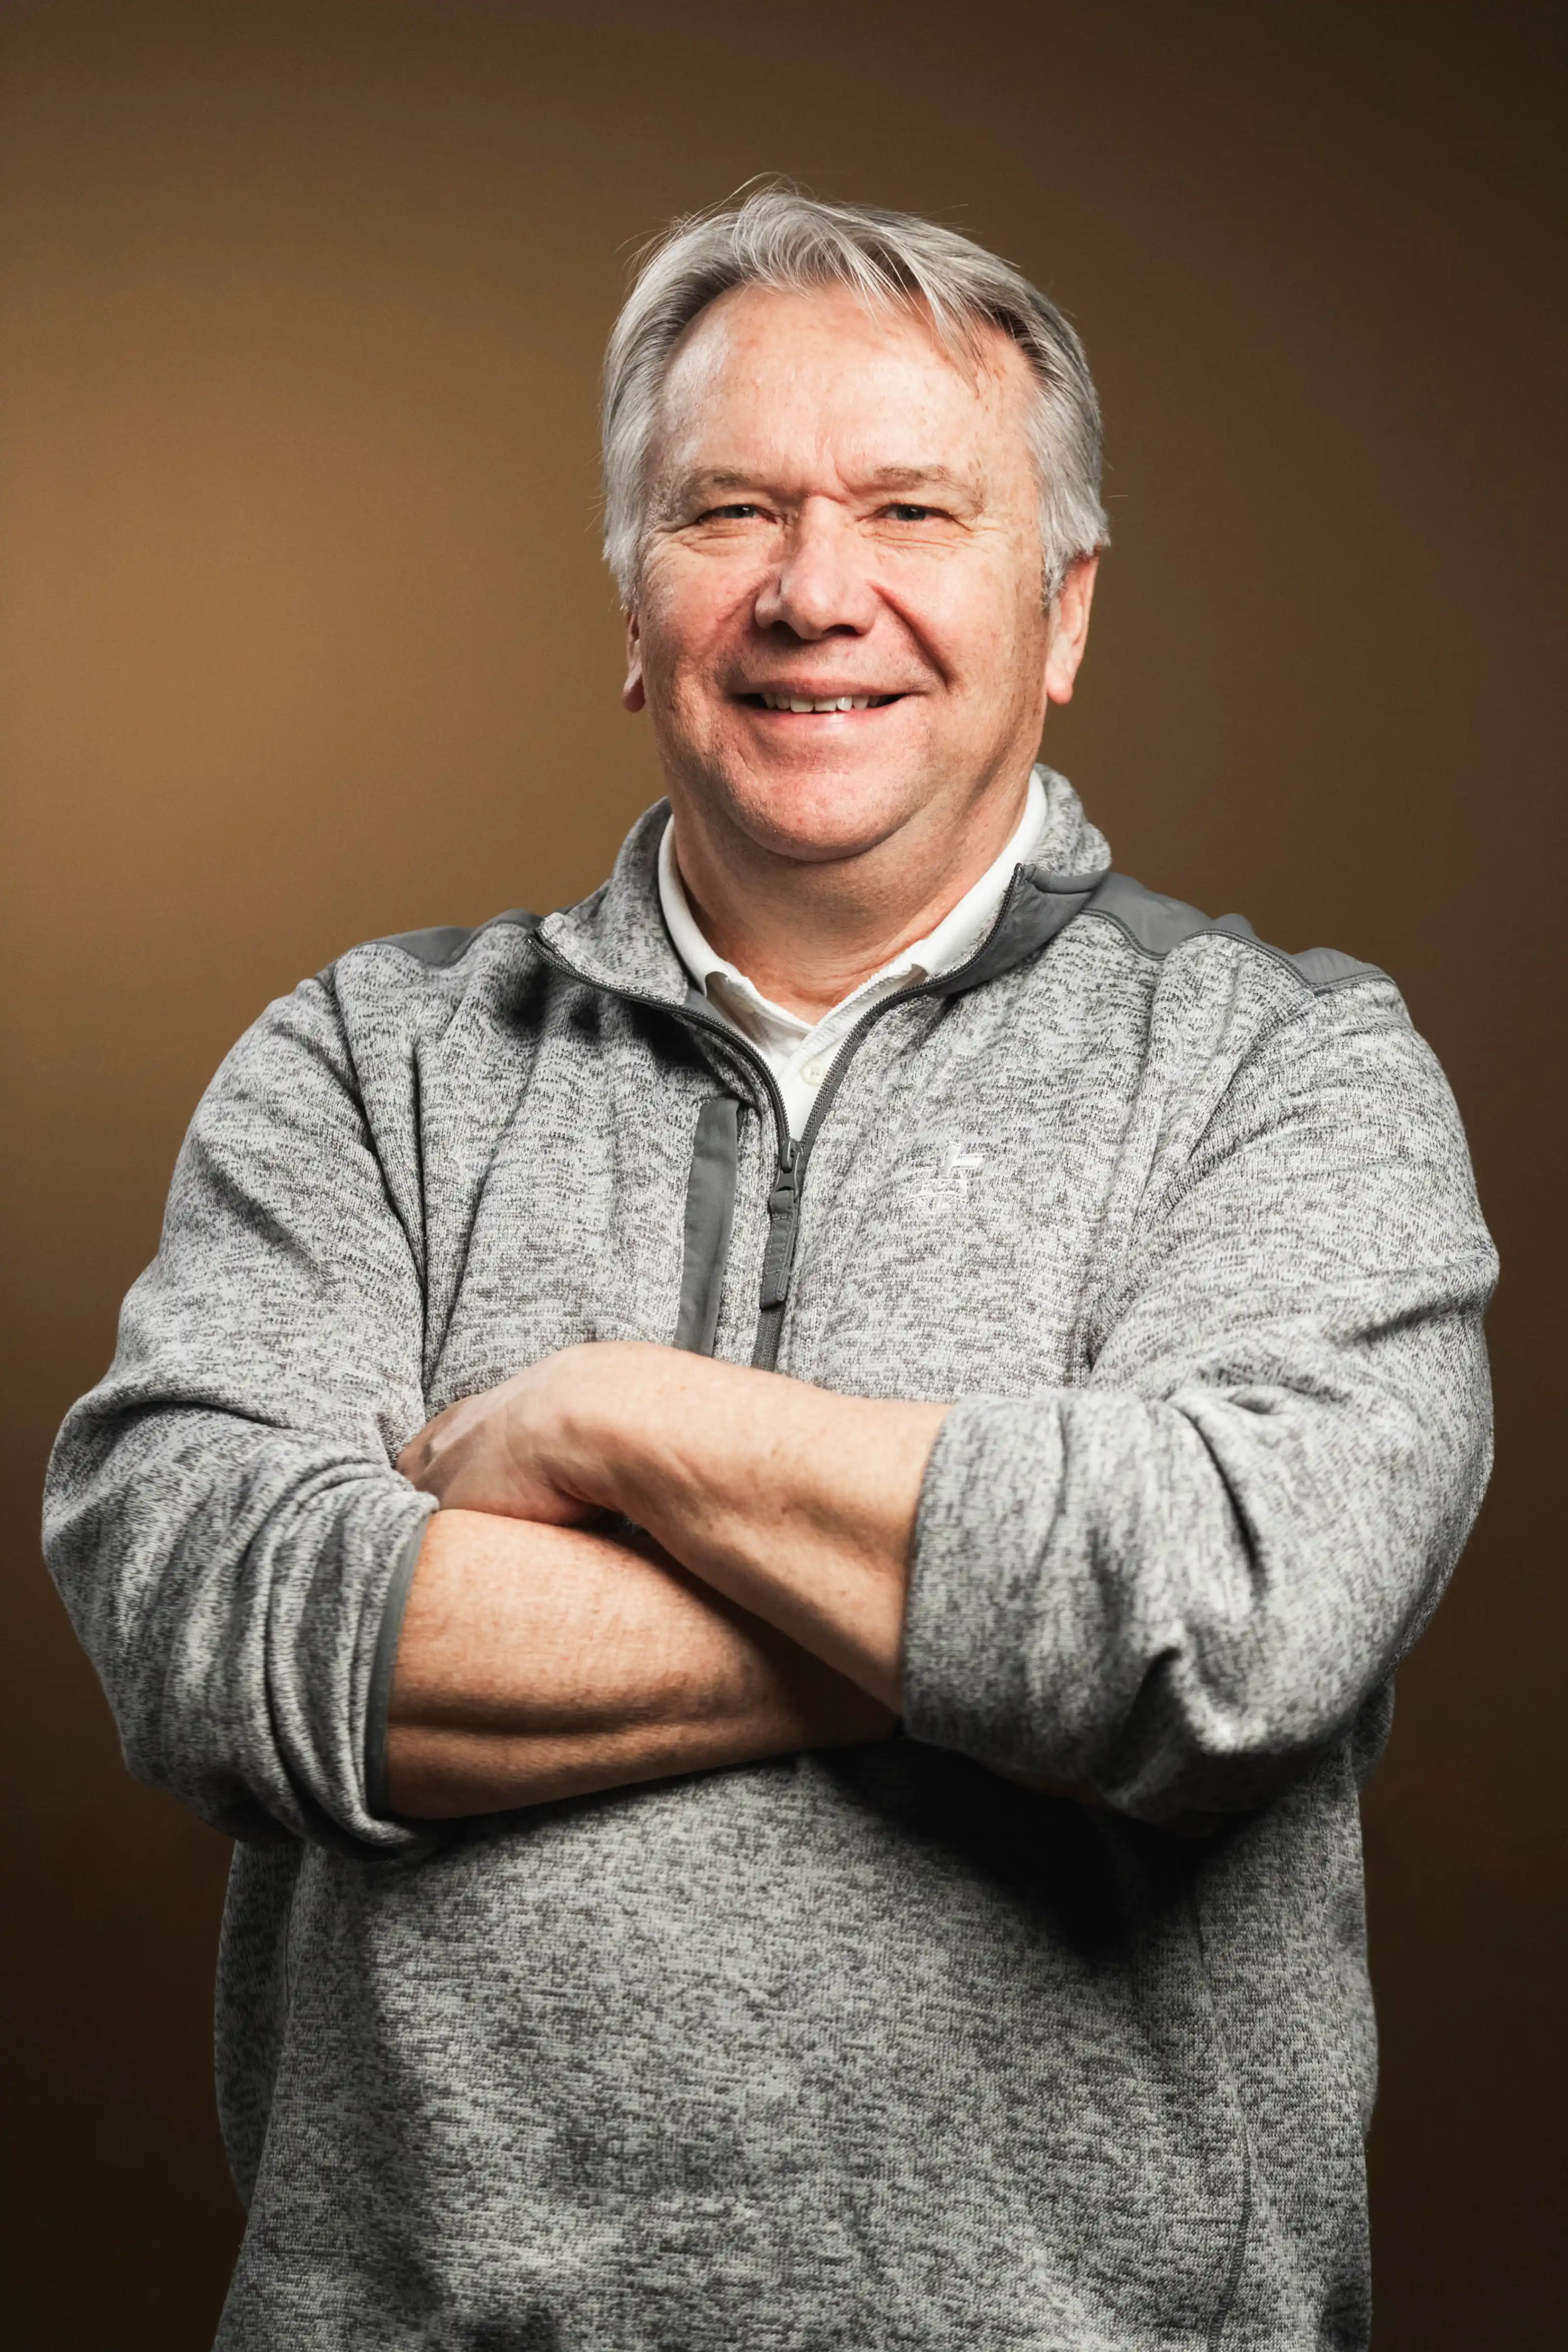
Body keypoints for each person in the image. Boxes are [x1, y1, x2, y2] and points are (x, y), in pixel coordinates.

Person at [44, 191, 1496, 2350]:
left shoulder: (1286, 1067)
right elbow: (215, 1619)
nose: (817, 593)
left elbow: (1228, 1615)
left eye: (912, 510)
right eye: (729, 512)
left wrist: (626, 1421)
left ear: (1061, 610)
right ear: (633, 609)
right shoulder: (366, 1063)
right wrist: (1006, 1632)